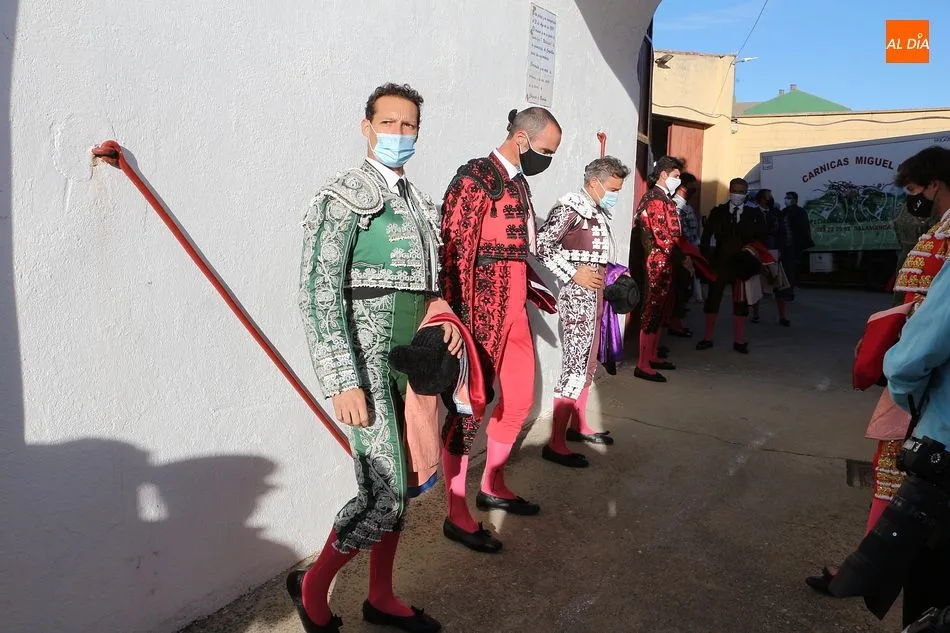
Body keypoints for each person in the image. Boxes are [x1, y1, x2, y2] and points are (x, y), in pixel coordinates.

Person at [290, 83, 462, 633]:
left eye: (409, 125)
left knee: (403, 484)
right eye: (389, 123)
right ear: (366, 127)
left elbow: (426, 287)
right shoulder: (341, 197)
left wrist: (442, 314)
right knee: (382, 493)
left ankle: (381, 595)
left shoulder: (419, 203)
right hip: (364, 365)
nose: (399, 133)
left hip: (410, 365)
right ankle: (312, 586)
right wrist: (341, 378)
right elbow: (317, 291)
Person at [805, 147, 950, 614]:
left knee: (907, 484)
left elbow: (929, 327)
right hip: (923, 377)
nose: (912, 199)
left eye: (915, 189)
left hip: (928, 389)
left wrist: (900, 377)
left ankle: (872, 570)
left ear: (935, 184)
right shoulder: (939, 229)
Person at [439, 107, 562, 553]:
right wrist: (455, 318)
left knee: (520, 399)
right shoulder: (474, 179)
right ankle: (456, 511)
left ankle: (492, 485)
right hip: (479, 309)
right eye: (546, 150)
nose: (547, 160)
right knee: (468, 407)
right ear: (522, 139)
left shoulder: (519, 184)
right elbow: (453, 252)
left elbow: (528, 246)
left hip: (515, 308)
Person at [535, 156, 630, 466]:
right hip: (578, 298)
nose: (615, 194)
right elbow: (541, 244)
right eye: (613, 188)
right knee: (575, 367)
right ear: (594, 182)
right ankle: (555, 443)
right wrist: (573, 273)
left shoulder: (595, 209)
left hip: (595, 295)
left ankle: (578, 426)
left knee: (587, 365)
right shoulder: (571, 208)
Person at [697, 177, 766, 354]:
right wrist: (707, 259)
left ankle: (739, 340)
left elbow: (761, 238)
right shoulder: (718, 212)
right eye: (735, 191)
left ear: (746, 193)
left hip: (742, 264)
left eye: (741, 192)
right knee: (713, 299)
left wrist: (752, 257)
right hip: (720, 262)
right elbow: (706, 237)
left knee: (741, 301)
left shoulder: (754, 214)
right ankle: (707, 338)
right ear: (730, 191)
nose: (738, 194)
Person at [633, 156, 686, 383]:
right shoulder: (655, 198)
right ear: (664, 174)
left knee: (661, 308)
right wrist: (683, 258)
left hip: (665, 261)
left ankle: (651, 355)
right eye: (676, 176)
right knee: (652, 308)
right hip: (657, 262)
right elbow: (662, 236)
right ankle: (642, 364)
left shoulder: (662, 197)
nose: (678, 180)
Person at [750, 189, 791, 326]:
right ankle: (755, 314)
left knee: (780, 285)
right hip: (759, 251)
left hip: (775, 252)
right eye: (767, 197)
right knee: (758, 284)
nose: (770, 199)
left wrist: (782, 250)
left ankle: (782, 316)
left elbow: (783, 232)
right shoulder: (753, 214)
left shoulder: (776, 213)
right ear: (760, 199)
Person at [668, 172, 700, 335]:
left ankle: (677, 321)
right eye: (691, 188)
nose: (693, 191)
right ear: (681, 188)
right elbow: (679, 234)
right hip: (681, 255)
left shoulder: (685, 205)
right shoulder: (675, 206)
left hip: (689, 253)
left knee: (684, 290)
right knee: (680, 290)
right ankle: (675, 324)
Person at [782, 191, 814, 297]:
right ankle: (789, 286)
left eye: (789, 198)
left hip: (795, 244)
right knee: (787, 266)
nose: (786, 199)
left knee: (793, 266)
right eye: (786, 197)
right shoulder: (784, 211)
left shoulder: (800, 212)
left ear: (795, 200)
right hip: (785, 244)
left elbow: (804, 228)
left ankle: (791, 287)